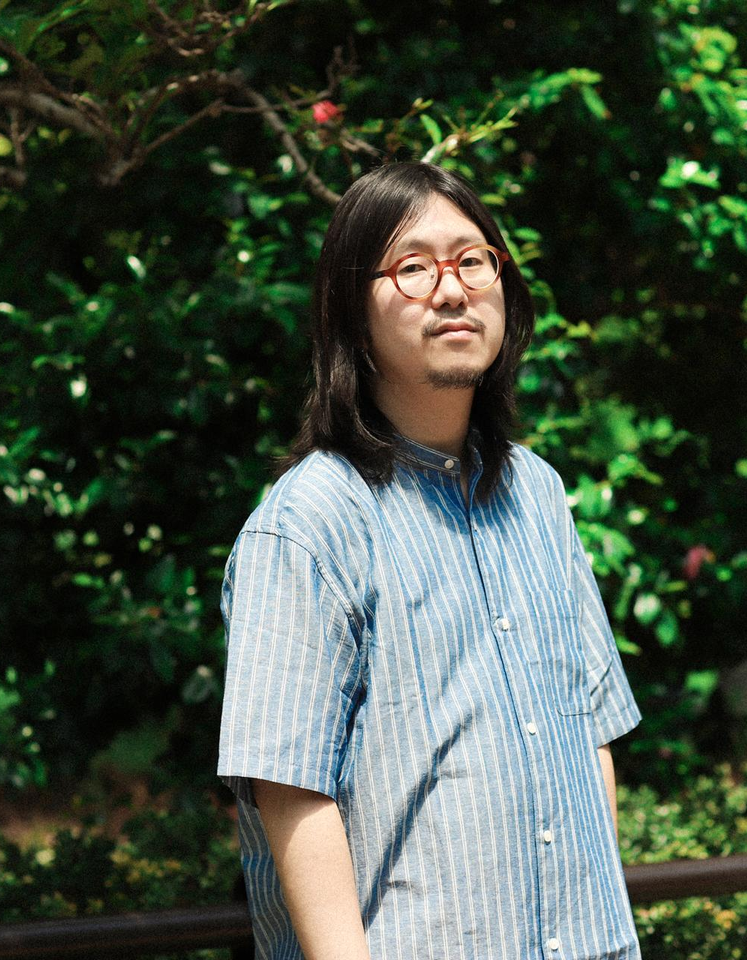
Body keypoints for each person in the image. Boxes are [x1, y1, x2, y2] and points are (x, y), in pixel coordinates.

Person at [217, 161, 643, 959]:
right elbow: (290, 790)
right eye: (412, 268)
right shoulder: (309, 524)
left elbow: (590, 735)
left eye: (473, 260)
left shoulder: (539, 495)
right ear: (352, 312)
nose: (452, 291)